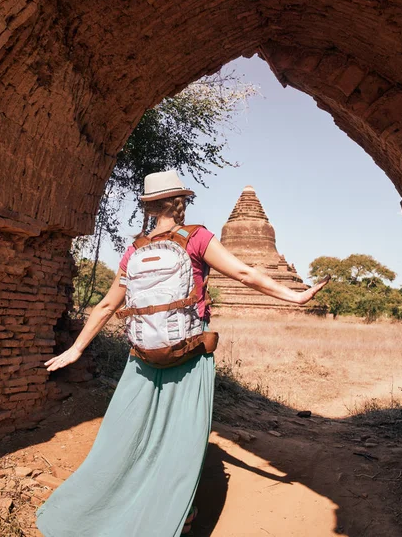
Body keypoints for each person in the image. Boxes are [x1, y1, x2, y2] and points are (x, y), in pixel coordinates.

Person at [36, 170, 330, 537]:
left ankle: (93, 513)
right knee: (182, 442)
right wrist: (296, 296)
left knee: (125, 437)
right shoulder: (196, 239)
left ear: (148, 207)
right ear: (180, 202)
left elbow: (107, 305)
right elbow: (244, 273)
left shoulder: (134, 250)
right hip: (190, 358)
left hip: (141, 360)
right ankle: (177, 516)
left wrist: (76, 349)